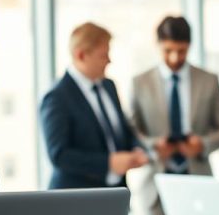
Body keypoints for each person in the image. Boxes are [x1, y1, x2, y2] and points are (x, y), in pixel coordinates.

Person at [130, 16, 219, 215]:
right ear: (157, 46)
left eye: (181, 51)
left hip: (198, 179)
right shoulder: (140, 83)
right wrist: (153, 145)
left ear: (190, 46)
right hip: (155, 185)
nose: (175, 58)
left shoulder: (209, 81)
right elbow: (131, 130)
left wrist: (202, 144)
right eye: (168, 51)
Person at [40, 22, 148, 189]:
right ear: (81, 55)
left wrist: (137, 149)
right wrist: (108, 163)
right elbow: (59, 155)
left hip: (114, 194)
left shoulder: (109, 86)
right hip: (75, 198)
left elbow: (123, 131)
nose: (109, 61)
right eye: (103, 55)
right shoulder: (57, 97)